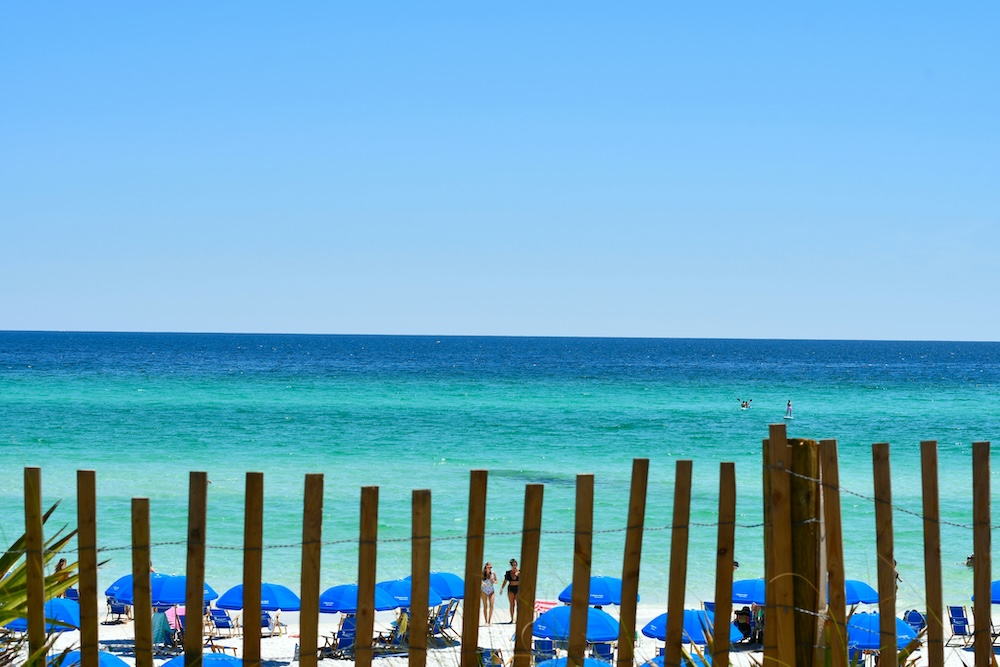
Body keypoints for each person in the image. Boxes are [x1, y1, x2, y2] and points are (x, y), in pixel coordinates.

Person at [500, 558, 520, 623]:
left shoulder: (520, 572)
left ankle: (518, 619)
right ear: (511, 566)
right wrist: (502, 588)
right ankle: (512, 619)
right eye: (513, 565)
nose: (514, 566)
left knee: (518, 604)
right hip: (511, 588)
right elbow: (505, 581)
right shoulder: (508, 573)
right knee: (512, 604)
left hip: (518, 588)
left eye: (515, 565)